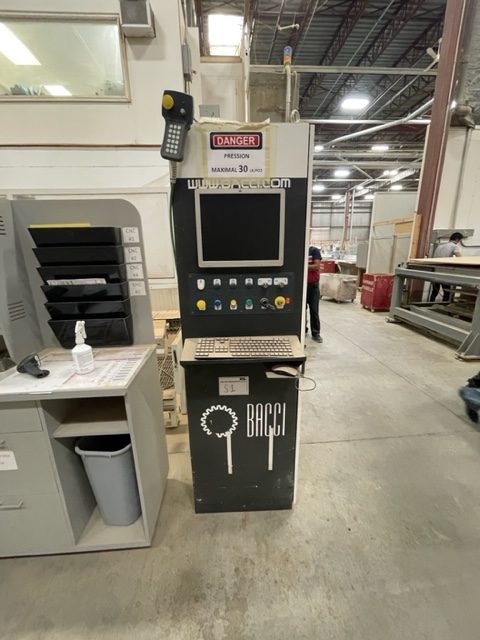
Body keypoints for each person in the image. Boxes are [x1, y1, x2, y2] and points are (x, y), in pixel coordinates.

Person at [429, 232, 464, 303]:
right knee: (447, 291)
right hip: (444, 272)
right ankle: (444, 306)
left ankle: (430, 304)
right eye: (460, 241)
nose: (459, 242)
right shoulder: (454, 246)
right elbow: (461, 258)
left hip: (435, 270)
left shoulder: (440, 246)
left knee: (435, 291)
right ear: (457, 239)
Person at [306, 245, 323, 343]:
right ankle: (303, 328)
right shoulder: (300, 250)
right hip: (302, 286)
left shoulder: (314, 251)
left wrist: (303, 266)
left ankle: (316, 333)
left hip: (313, 286)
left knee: (314, 310)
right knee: (301, 310)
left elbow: (316, 266)